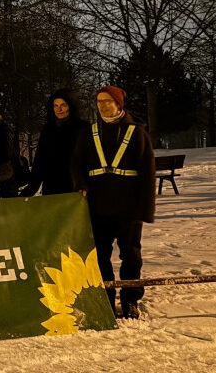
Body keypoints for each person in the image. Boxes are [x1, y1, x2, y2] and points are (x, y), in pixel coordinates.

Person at [70, 86, 156, 319]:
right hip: (98, 206)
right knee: (99, 257)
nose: (102, 105)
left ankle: (130, 300)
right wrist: (81, 184)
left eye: (107, 101)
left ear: (119, 104)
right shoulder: (88, 134)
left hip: (128, 207)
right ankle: (105, 299)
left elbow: (148, 174)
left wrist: (145, 210)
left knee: (131, 256)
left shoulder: (136, 133)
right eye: (99, 101)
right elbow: (77, 163)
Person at [25, 89, 89, 196]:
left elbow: (89, 159)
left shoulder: (83, 128)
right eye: (55, 105)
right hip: (52, 187)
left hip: (75, 187)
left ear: (70, 106)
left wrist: (85, 184)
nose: (59, 109)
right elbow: (40, 161)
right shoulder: (48, 129)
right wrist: (31, 188)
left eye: (63, 105)